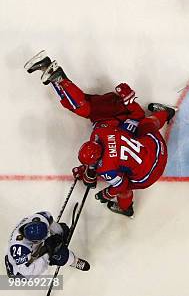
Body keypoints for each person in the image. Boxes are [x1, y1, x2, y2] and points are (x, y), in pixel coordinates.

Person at [24, 51, 175, 217]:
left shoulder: (106, 164)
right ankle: (167, 113)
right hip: (154, 145)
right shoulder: (104, 135)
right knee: (148, 124)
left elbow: (121, 185)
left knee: (127, 187)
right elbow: (132, 123)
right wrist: (130, 103)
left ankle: (126, 209)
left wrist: (105, 192)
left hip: (149, 173)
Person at [5, 211, 89, 278]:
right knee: (59, 253)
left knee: (60, 233)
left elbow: (50, 221)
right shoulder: (20, 249)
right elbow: (28, 273)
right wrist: (48, 253)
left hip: (29, 251)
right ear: (34, 241)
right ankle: (73, 261)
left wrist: (60, 233)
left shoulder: (40, 218)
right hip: (19, 272)